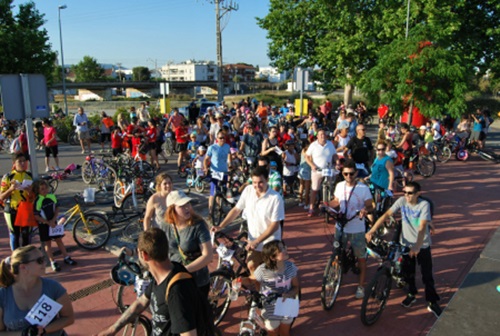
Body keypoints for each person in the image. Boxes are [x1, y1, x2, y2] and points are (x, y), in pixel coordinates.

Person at [97, 228, 205, 336]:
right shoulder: (162, 275)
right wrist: (112, 330)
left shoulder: (177, 291)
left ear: (144, 255)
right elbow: (141, 302)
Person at [366, 181, 442, 317]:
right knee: (408, 273)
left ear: (418, 194)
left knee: (427, 275)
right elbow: (386, 215)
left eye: (410, 193)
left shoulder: (423, 205)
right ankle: (412, 294)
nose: (406, 196)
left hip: (421, 245)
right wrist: (372, 230)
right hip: (405, 243)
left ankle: (432, 302)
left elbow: (422, 226)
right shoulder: (401, 201)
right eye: (405, 192)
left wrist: (417, 246)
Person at [213, 166, 285, 276]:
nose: (257, 186)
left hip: (270, 243)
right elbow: (236, 210)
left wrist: (257, 241)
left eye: (260, 182)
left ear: (267, 180)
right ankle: (259, 291)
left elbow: (275, 225)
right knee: (251, 266)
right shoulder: (248, 190)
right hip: (253, 241)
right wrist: (221, 226)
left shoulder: (275, 198)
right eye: (254, 182)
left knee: (272, 274)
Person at [325, 160, 373, 299]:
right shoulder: (339, 185)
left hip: (357, 228)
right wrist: (327, 204)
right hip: (341, 226)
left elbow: (371, 206)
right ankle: (333, 277)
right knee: (337, 254)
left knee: (361, 258)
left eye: (351, 174)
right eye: (345, 173)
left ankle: (361, 286)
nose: (348, 176)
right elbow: (336, 201)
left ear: (356, 173)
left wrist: (365, 210)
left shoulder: (363, 188)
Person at [0, 245, 74, 335]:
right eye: (40, 261)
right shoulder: (3, 295)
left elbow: (69, 318)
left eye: (44, 258)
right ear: (23, 267)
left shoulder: (53, 287)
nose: (45, 263)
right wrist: (24, 333)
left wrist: (43, 330)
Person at [165, 190, 213, 297]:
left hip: (197, 281)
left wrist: (183, 271)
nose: (187, 208)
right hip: (176, 280)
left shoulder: (198, 226)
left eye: (188, 204)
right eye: (182, 206)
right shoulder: (168, 226)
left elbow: (208, 256)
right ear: (172, 210)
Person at [253, 240, 300, 336]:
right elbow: (251, 280)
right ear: (273, 257)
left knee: (285, 333)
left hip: (287, 304)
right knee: (272, 332)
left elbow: (296, 287)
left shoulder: (291, 267)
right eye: (281, 249)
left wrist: (289, 294)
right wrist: (239, 281)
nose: (285, 249)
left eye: (284, 247)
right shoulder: (262, 270)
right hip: (270, 307)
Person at [32, 180, 77, 272]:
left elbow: (56, 208)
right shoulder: (37, 200)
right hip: (44, 225)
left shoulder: (52, 196)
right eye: (42, 189)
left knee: (59, 240)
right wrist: (47, 222)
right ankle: (53, 261)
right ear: (38, 191)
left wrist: (53, 220)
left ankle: (66, 257)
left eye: (46, 188)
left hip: (53, 223)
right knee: (48, 244)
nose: (45, 191)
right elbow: (36, 216)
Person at [0, 154, 34, 251]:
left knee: (26, 235)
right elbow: (1, 197)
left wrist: (30, 192)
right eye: (20, 161)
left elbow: (33, 198)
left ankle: (26, 257)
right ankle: (16, 258)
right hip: (11, 210)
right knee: (15, 234)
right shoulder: (8, 177)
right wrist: (11, 189)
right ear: (14, 163)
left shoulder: (29, 176)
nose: (23, 163)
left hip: (26, 209)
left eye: (24, 161)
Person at [306, 129, 338, 217]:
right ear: (317, 136)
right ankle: (311, 207)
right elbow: (307, 156)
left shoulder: (330, 144)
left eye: (323, 134)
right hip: (317, 170)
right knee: (314, 189)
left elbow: (334, 155)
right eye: (320, 134)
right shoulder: (313, 145)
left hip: (328, 169)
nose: (322, 136)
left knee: (330, 187)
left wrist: (337, 162)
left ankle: (329, 206)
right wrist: (312, 165)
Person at [204, 130, 231, 218]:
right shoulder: (212, 147)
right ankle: (210, 212)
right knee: (213, 193)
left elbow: (229, 156)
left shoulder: (227, 146)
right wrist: (205, 167)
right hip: (215, 172)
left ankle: (220, 209)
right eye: (220, 138)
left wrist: (230, 164)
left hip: (224, 172)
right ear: (217, 138)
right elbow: (206, 159)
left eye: (224, 138)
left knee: (221, 192)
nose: (222, 139)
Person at [297, 141, 311, 210]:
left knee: (301, 186)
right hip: (307, 170)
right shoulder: (308, 152)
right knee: (307, 187)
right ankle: (306, 204)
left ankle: (300, 201)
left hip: (301, 169)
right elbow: (311, 160)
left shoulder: (302, 151)